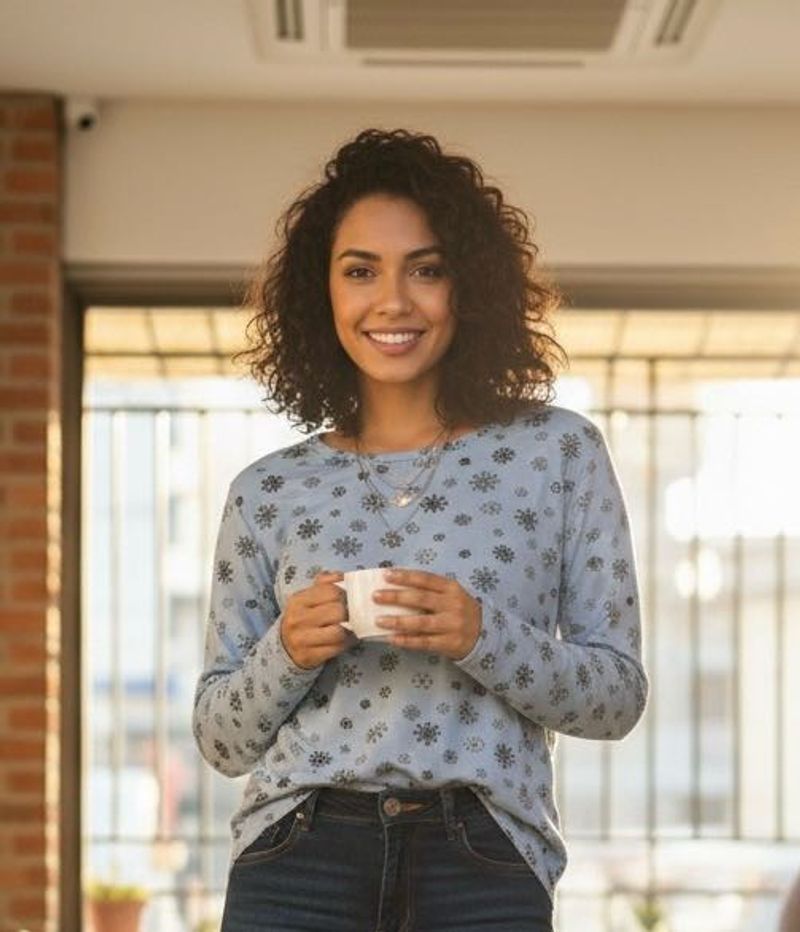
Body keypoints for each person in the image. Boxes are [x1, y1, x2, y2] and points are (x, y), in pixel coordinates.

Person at [192, 128, 648, 931]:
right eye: (360, 270)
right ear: (320, 293)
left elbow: (616, 698)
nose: (392, 301)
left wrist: (482, 635)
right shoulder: (268, 491)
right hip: (296, 859)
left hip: (483, 858)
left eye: (426, 270)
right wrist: (288, 651)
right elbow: (222, 741)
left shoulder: (559, 453)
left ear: (467, 287)